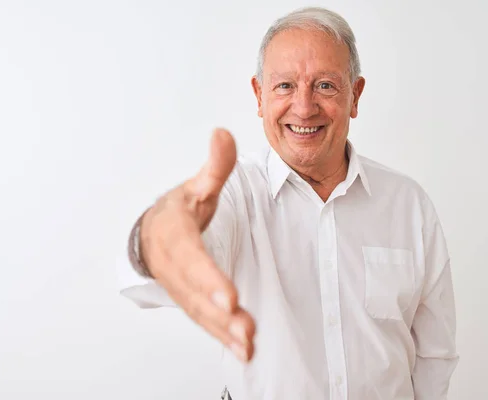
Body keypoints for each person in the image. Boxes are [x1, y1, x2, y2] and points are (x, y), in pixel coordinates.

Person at [117, 6, 459, 400]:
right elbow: (155, 264)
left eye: (325, 85)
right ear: (259, 96)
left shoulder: (408, 204)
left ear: (355, 95)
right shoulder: (234, 195)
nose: (304, 107)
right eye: (284, 86)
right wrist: (157, 239)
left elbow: (436, 354)